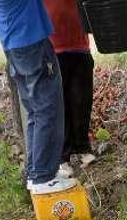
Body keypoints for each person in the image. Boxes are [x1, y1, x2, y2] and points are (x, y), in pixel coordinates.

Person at [0, 0, 77, 194]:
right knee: (47, 108)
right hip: (30, 41)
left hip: (15, 43)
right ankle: (44, 177)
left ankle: (37, 172)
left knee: (35, 111)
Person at [43, 0, 97, 167]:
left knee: (82, 101)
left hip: (80, 47)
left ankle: (82, 147)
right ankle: (62, 157)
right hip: (53, 50)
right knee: (60, 105)